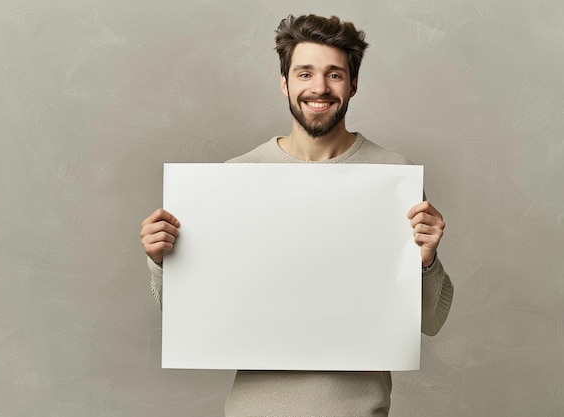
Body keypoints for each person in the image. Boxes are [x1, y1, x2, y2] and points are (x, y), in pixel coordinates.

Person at [140, 14, 453, 417]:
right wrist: (160, 262)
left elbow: (431, 320)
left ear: (353, 85)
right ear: (285, 83)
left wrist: (427, 262)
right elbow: (196, 316)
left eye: (334, 74)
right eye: (305, 73)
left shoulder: (395, 176)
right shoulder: (235, 177)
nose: (318, 88)